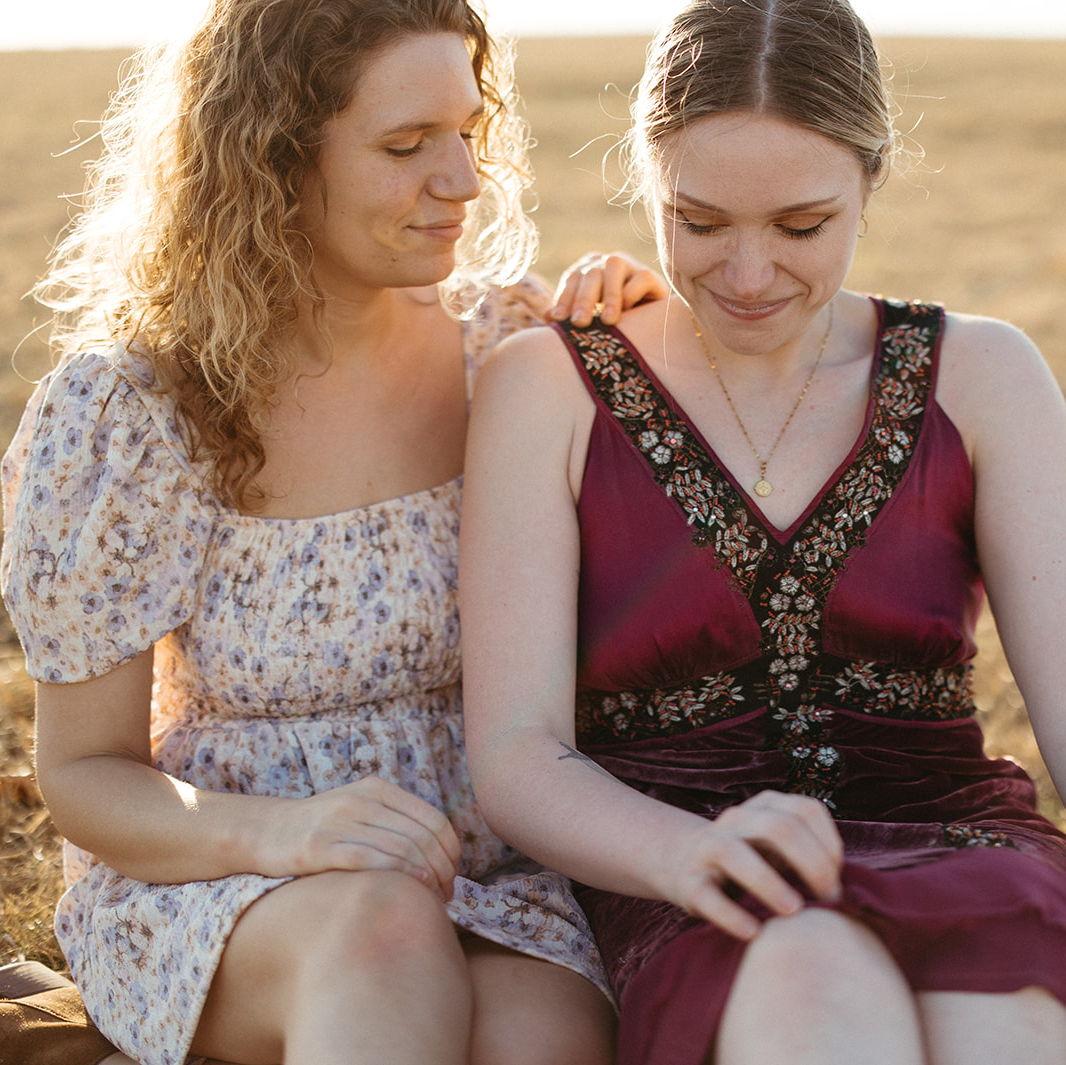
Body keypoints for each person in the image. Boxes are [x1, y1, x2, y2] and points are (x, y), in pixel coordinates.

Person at [0, 2, 667, 1063]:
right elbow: (85, 772)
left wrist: (658, 343)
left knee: (542, 1038)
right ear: (270, 162)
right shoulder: (135, 408)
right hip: (225, 872)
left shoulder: (508, 350)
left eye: (468, 132)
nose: (463, 179)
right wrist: (292, 833)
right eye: (406, 146)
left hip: (487, 872)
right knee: (378, 930)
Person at [459, 2, 1066, 1064]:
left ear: (871, 181)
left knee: (1004, 1026)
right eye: (698, 223)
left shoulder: (985, 373)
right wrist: (687, 855)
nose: (746, 277)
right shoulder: (547, 387)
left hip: (961, 843)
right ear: (646, 178)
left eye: (800, 226)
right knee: (807, 983)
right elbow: (517, 751)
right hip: (681, 872)